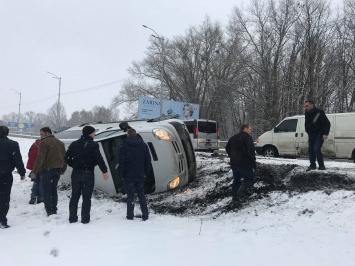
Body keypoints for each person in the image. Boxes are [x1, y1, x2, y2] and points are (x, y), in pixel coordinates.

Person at [65, 126, 109, 224]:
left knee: (74, 196)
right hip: (88, 174)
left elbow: (66, 157)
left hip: (76, 173)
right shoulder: (93, 145)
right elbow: (99, 158)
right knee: (86, 197)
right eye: (94, 132)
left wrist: (74, 165)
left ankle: (72, 218)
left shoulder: (74, 144)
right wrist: (104, 171)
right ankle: (85, 219)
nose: (95, 134)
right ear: (90, 133)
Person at [31, 127, 67, 217]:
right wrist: (63, 169)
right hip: (57, 170)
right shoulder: (60, 143)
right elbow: (64, 158)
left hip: (48, 170)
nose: (41, 136)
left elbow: (40, 159)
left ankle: (49, 210)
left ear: (47, 133)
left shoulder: (44, 142)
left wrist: (34, 171)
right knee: (54, 190)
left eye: (42, 134)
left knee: (47, 190)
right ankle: (54, 208)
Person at [118, 128, 152, 221]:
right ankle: (145, 214)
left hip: (128, 175)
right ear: (136, 134)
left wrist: (120, 174)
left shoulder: (123, 145)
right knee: (141, 195)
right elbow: (148, 160)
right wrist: (146, 172)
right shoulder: (143, 145)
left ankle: (130, 215)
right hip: (140, 174)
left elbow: (122, 161)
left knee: (130, 196)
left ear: (127, 135)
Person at [0, 126, 26, 228]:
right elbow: (17, 159)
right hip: (6, 174)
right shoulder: (13, 145)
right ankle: (2, 220)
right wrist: (22, 172)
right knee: (4, 197)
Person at [225, 124, 256, 200]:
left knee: (236, 180)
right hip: (244, 163)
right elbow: (251, 151)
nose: (251, 130)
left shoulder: (233, 137)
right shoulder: (247, 138)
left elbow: (227, 147)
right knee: (249, 179)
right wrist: (253, 162)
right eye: (250, 129)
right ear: (245, 129)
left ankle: (234, 195)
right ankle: (242, 194)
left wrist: (232, 156)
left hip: (234, 163)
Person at [304, 100, 331, 171]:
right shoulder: (306, 113)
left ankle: (321, 166)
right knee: (310, 150)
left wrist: (325, 133)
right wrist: (308, 131)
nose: (305, 108)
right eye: (304, 106)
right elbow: (306, 124)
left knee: (316, 149)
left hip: (319, 134)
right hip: (311, 134)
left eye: (307, 106)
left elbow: (327, 123)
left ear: (312, 105)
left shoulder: (319, 112)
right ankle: (312, 165)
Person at [27, 131, 45, 204]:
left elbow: (30, 154)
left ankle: (33, 196)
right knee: (41, 183)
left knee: (35, 182)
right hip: (43, 166)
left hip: (34, 166)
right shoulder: (46, 144)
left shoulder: (35, 143)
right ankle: (40, 198)